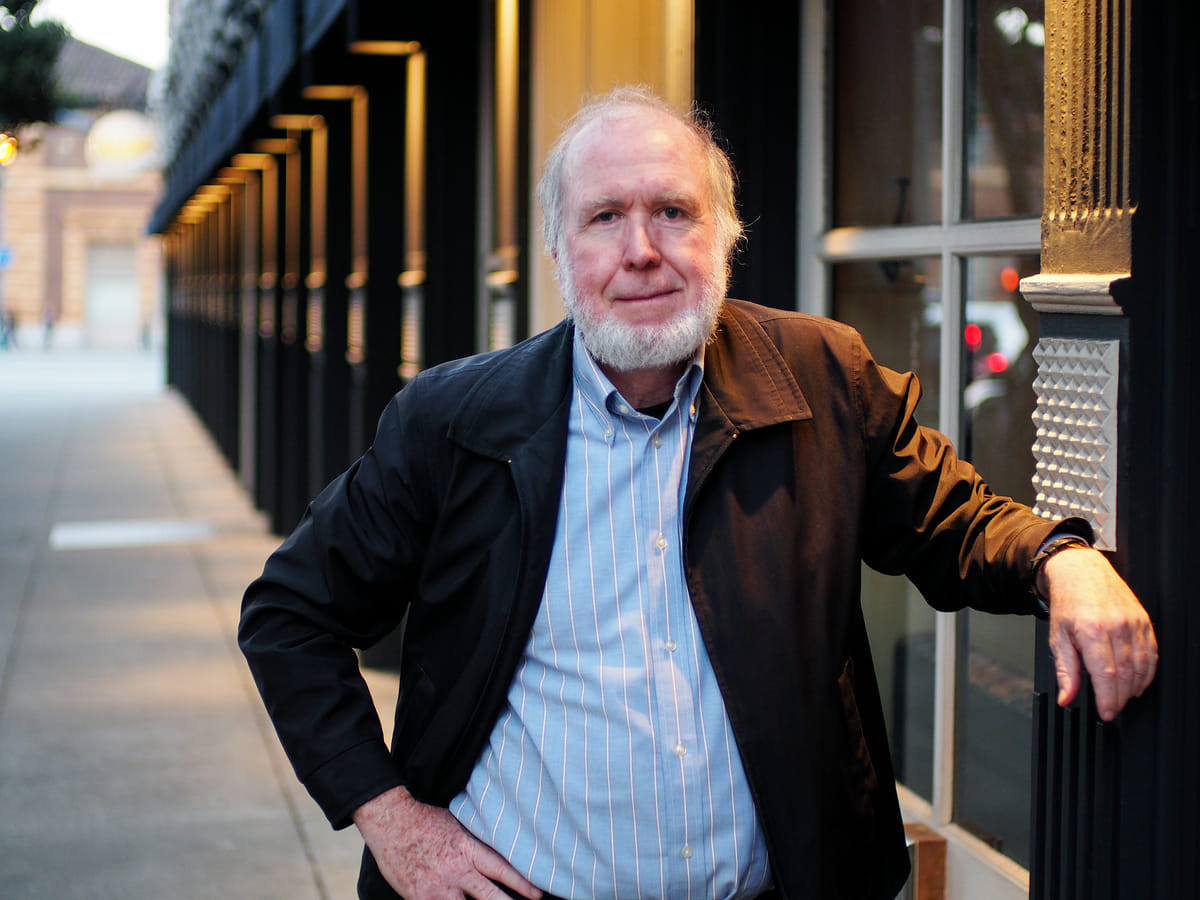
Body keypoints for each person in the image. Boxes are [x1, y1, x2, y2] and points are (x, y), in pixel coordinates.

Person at [239, 86, 1157, 900]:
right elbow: (290, 616)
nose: (642, 251)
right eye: (604, 217)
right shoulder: (454, 423)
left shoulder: (821, 376)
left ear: (726, 234)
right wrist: (390, 817)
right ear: (557, 247)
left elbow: (955, 523)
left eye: (674, 212)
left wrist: (1061, 559)